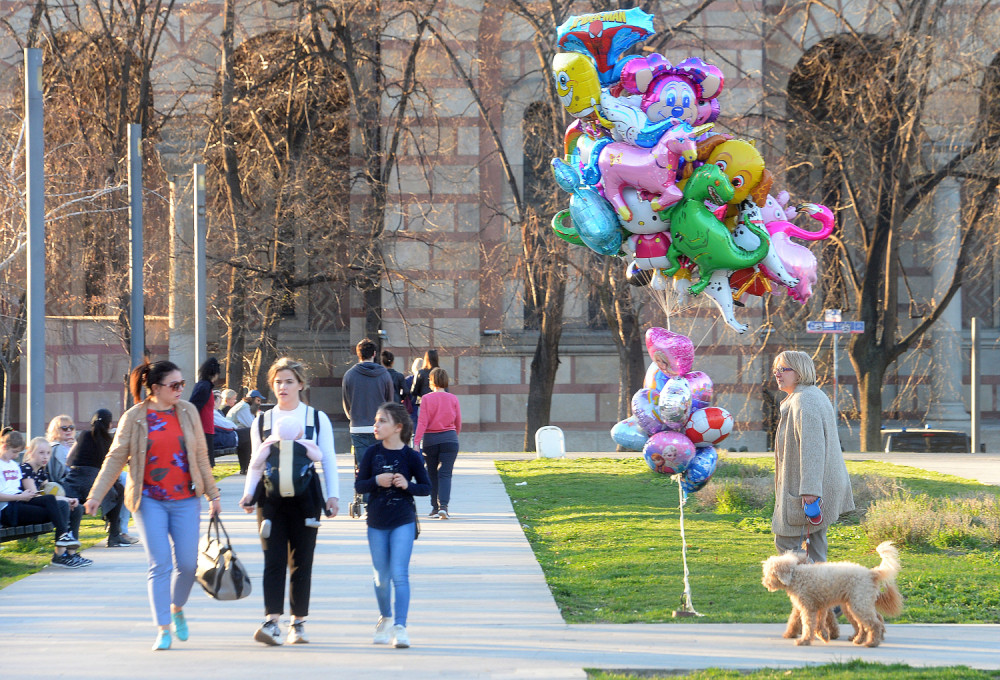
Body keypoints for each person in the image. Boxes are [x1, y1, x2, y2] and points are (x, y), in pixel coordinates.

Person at [84, 359, 221, 651]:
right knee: (160, 564)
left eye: (182, 384)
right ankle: (162, 628)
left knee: (187, 564)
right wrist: (96, 494)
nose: (180, 390)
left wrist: (214, 494)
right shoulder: (134, 417)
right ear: (155, 388)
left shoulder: (188, 412)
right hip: (148, 500)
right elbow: (115, 457)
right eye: (174, 385)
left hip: (185, 498)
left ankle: (176, 607)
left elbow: (199, 454)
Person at [240, 357, 339, 647]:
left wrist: (332, 496)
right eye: (277, 382)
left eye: (288, 381)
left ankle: (298, 622)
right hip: (270, 501)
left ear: (300, 384)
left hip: (306, 500)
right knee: (273, 560)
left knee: (302, 561)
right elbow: (255, 463)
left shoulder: (316, 419)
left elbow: (329, 459)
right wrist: (249, 493)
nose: (282, 387)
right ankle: (272, 621)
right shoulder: (262, 421)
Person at [355, 402, 430, 649]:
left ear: (398, 427)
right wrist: (376, 480)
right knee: (380, 578)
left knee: (399, 574)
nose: (376, 425)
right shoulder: (371, 453)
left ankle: (400, 626)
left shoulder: (411, 456)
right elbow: (359, 485)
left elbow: (426, 488)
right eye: (376, 421)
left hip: (403, 520)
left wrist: (407, 485)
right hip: (376, 521)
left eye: (382, 421)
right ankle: (385, 617)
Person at [771, 350, 854, 564]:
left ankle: (812, 591)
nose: (777, 374)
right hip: (820, 486)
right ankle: (827, 594)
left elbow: (812, 448)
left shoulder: (804, 401)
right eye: (775, 370)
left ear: (799, 373)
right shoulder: (810, 396)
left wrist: (810, 491)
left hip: (809, 491)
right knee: (816, 550)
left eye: (782, 369)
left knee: (787, 546)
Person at [0, 431, 86, 569]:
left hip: (21, 501)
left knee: (52, 500)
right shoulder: (14, 466)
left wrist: (66, 499)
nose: (17, 456)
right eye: (15, 452)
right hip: (8, 509)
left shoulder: (13, 465)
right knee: (59, 507)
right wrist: (19, 497)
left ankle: (65, 544)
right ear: (4, 446)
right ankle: (63, 546)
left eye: (18, 453)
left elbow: (40, 491)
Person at [243, 416, 325, 537]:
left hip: (275, 483)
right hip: (298, 483)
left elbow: (256, 462)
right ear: (298, 432)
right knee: (305, 498)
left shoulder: (270, 445)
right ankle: (309, 517)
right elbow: (318, 457)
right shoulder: (303, 444)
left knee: (271, 501)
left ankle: (267, 519)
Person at [63, 409, 131, 547]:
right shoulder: (110, 440)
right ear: (109, 424)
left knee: (115, 489)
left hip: (74, 481)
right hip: (93, 479)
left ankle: (71, 539)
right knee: (118, 490)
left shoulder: (83, 434)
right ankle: (114, 535)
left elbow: (69, 459)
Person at [342, 338, 393, 511]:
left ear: (358, 355)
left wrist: (353, 416)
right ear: (374, 354)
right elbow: (389, 402)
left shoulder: (349, 375)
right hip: (380, 427)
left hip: (358, 427)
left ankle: (367, 502)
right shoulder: (384, 375)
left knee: (363, 466)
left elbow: (346, 402)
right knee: (380, 464)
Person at [413, 367, 462, 520]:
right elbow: (458, 421)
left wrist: (416, 442)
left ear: (432, 381)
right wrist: (454, 435)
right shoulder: (453, 398)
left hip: (430, 440)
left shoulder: (426, 399)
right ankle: (444, 507)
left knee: (432, 474)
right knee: (446, 474)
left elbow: (422, 422)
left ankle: (434, 507)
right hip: (450, 439)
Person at [189, 357, 221, 466]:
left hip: (206, 429)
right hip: (203, 430)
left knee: (207, 464)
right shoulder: (204, 387)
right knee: (205, 464)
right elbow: (194, 407)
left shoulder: (204, 386)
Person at [228, 389, 264, 475]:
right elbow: (251, 425)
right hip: (231, 434)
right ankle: (247, 467)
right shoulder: (244, 407)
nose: (259, 403)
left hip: (233, 433)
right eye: (258, 400)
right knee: (250, 434)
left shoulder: (244, 406)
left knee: (248, 435)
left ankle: (245, 467)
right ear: (252, 399)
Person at [408, 350, 439, 434]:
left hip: (423, 404)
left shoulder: (420, 373)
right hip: (438, 405)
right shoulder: (440, 373)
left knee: (422, 428)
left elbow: (413, 391)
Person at [44, 415, 76, 483]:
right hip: (63, 483)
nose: (69, 430)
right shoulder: (53, 447)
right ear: (55, 430)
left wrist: (75, 448)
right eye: (64, 428)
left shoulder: (76, 445)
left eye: (71, 427)